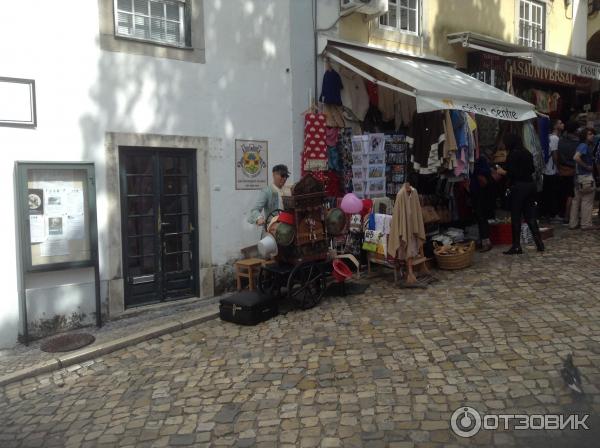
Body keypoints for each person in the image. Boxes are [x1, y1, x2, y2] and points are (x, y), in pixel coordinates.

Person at [496, 133, 544, 255]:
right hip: (530, 186)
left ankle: (516, 246)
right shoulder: (526, 152)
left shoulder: (513, 154)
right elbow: (532, 169)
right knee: (530, 215)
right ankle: (539, 243)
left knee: (516, 216)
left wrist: (502, 172)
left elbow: (512, 173)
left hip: (519, 187)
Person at [470, 152, 500, 252]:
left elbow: (482, 178)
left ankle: (486, 242)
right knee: (481, 217)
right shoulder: (480, 159)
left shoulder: (478, 160)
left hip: (481, 193)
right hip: (482, 192)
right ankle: (484, 241)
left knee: (481, 216)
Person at [569, 128, 597, 230]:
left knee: (576, 201)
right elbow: (576, 157)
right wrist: (587, 166)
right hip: (585, 177)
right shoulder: (584, 146)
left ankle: (573, 223)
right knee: (587, 201)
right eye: (589, 134)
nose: (592, 136)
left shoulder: (581, 145)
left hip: (578, 177)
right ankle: (586, 224)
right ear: (585, 136)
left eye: (592, 134)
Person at [557, 121, 579, 222]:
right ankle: (567, 216)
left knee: (563, 192)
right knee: (571, 194)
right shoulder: (577, 142)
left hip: (562, 169)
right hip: (572, 169)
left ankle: (562, 213)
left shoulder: (561, 140)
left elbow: (559, 155)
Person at [542, 119, 564, 222]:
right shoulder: (555, 138)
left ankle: (546, 213)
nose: (562, 124)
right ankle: (553, 214)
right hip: (551, 169)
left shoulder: (548, 137)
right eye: (560, 123)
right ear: (555, 126)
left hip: (546, 169)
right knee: (553, 193)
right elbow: (555, 155)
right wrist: (558, 168)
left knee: (547, 193)